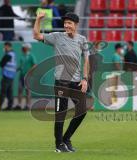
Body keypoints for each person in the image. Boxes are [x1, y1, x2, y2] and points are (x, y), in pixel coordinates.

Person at [33, 12, 89, 152]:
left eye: (69, 23)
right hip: (61, 83)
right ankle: (59, 145)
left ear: (76, 25)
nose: (66, 25)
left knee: (82, 111)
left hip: (76, 82)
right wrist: (38, 20)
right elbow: (37, 35)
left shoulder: (82, 40)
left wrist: (85, 79)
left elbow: (87, 60)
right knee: (61, 114)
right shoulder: (57, 36)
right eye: (65, 23)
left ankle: (66, 139)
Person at [0, 42, 17, 110]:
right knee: (9, 92)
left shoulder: (8, 55)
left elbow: (1, 64)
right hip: (11, 76)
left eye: (5, 47)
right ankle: (10, 106)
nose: (4, 48)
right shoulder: (13, 54)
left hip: (7, 75)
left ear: (8, 46)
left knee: (3, 92)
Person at [14, 43, 37, 110]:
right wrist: (17, 69)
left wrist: (29, 71)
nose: (22, 48)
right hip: (21, 75)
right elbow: (21, 66)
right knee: (20, 90)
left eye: (23, 47)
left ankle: (28, 105)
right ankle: (19, 105)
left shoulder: (31, 56)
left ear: (27, 48)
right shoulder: (22, 56)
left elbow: (35, 65)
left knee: (28, 91)